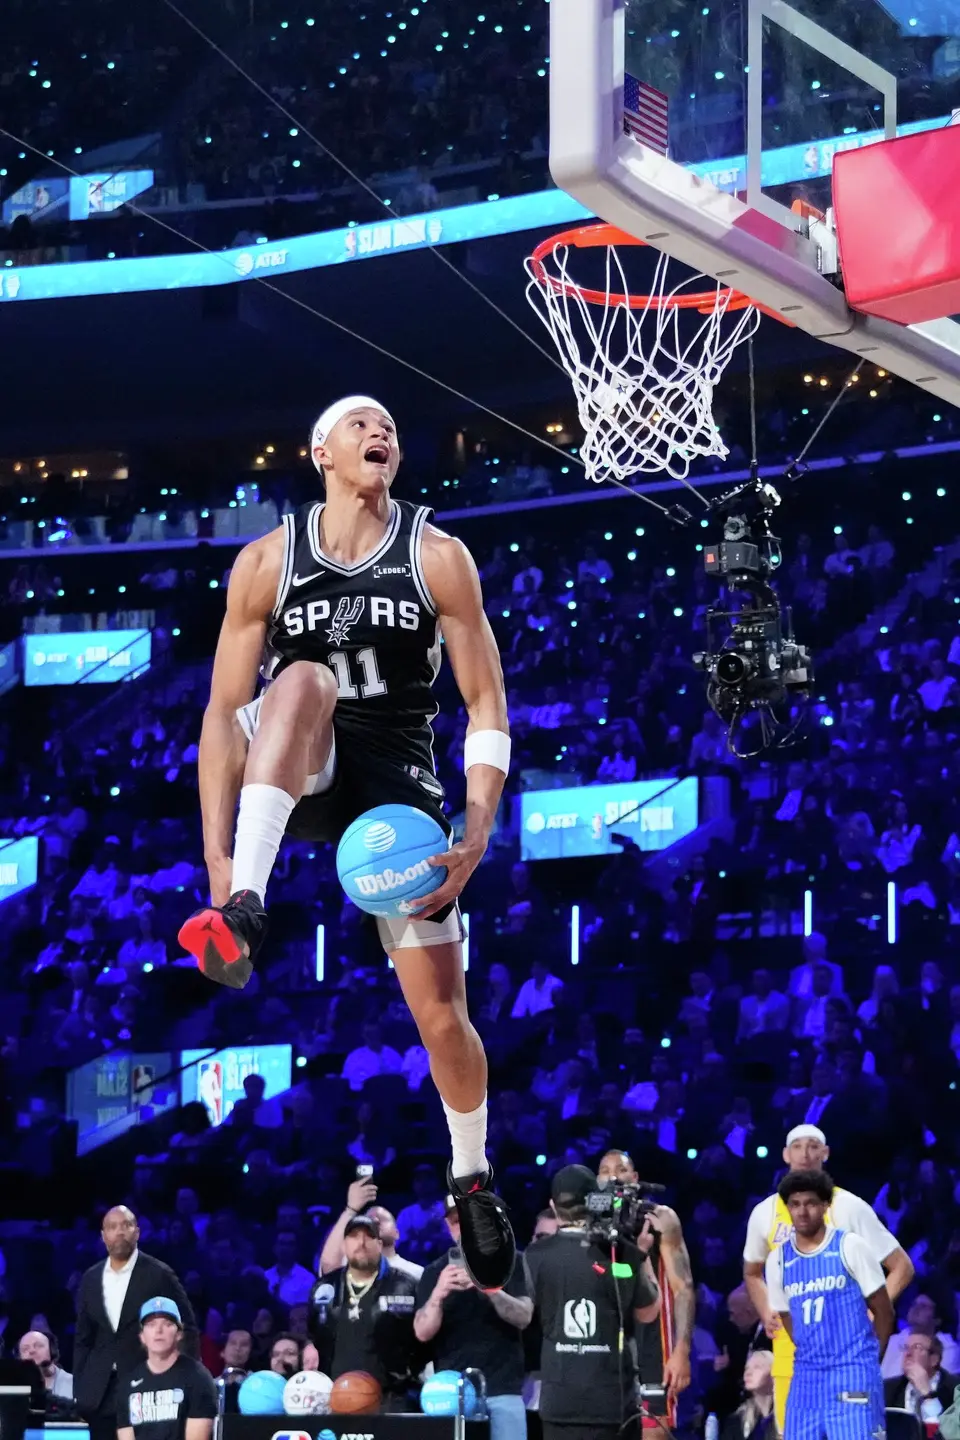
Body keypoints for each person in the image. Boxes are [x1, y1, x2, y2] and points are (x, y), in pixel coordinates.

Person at [178, 396, 514, 1292]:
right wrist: (217, 863)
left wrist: (476, 829)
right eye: (363, 425)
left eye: (393, 429)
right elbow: (220, 715)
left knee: (442, 1017)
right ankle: (247, 904)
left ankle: (471, 1174)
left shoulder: (438, 555)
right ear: (320, 449)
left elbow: (485, 704)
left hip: (399, 791)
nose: (383, 436)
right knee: (298, 680)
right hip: (308, 760)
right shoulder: (267, 561)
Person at [742, 1124, 913, 1435]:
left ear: (825, 1153)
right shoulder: (766, 1218)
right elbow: (752, 1273)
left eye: (812, 1146)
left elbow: (901, 1267)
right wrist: (767, 1308)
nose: (805, 1154)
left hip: (850, 1359)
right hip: (797, 1361)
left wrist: (870, 1314)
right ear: (785, 1154)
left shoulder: (849, 1213)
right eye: (797, 1146)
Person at [523, 1164, 661, 1440]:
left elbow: (525, 1316)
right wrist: (639, 1256)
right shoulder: (617, 1256)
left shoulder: (534, 1256)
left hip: (558, 1403)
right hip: (610, 1405)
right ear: (593, 1201)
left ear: (553, 1205)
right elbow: (648, 1313)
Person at [764, 1170, 893, 1440]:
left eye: (810, 1203)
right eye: (795, 1204)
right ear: (787, 1207)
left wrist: (867, 1361)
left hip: (852, 1371)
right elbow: (787, 1317)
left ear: (825, 1206)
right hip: (806, 1378)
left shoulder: (850, 1246)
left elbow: (883, 1310)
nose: (802, 1211)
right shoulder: (777, 1261)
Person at [415, 1193, 532, 1440]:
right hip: (451, 1395)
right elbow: (422, 1332)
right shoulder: (434, 1272)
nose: (464, 1228)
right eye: (457, 1222)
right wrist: (437, 1295)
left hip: (502, 1389)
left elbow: (524, 1316)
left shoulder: (512, 1261)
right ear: (448, 1226)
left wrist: (487, 1287)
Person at [74, 1207, 198, 1440]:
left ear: (137, 1232)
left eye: (126, 1225)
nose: (119, 1231)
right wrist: (81, 1392)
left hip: (148, 1387)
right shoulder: (91, 1278)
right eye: (112, 1227)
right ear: (103, 1236)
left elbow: (187, 1328)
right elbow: (83, 1338)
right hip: (100, 1394)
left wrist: (184, 1380)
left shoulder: (159, 1274)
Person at [597, 1148, 695, 1411]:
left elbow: (683, 1287)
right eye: (605, 1172)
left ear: (635, 1177)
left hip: (653, 1338)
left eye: (621, 1170)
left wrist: (682, 1350)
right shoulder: (590, 1225)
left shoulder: (660, 1218)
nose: (614, 1178)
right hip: (605, 1339)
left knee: (654, 1428)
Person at [308, 1212, 420, 1411]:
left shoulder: (406, 1285)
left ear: (379, 1244)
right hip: (334, 1397)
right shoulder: (324, 1287)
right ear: (344, 1245)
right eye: (354, 1236)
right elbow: (314, 1333)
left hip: (391, 1400)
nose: (361, 1242)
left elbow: (422, 1344)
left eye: (369, 1236)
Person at [116, 1298, 217, 1440]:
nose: (159, 1330)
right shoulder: (128, 1385)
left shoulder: (198, 1378)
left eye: (167, 1324)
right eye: (151, 1325)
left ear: (179, 1334)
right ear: (142, 1336)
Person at [320, 1177, 422, 1279]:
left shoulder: (416, 1273)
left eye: (383, 1219)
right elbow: (329, 1267)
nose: (376, 1221)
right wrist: (351, 1210)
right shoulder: (352, 1267)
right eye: (370, 1220)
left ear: (396, 1233)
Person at [881, 1293, 960, 1380]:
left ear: (937, 1319)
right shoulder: (895, 1340)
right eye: (914, 1304)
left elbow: (940, 1388)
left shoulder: (948, 1349)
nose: (915, 1309)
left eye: (923, 1306)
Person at [884, 1333, 959, 1421]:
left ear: (934, 1360)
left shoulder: (955, 1390)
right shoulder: (887, 1388)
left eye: (917, 1347)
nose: (908, 1354)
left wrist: (927, 1394)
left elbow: (945, 1432)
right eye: (906, 1348)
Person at [720, 1349, 775, 1440]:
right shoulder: (737, 1420)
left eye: (757, 1367)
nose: (748, 1373)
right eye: (747, 1368)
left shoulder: (788, 1416)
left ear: (774, 1374)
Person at [18, 1329, 73, 1400]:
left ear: (52, 1350)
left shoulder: (74, 1384)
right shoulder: (13, 1389)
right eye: (25, 1349)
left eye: (38, 1345)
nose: (32, 1351)